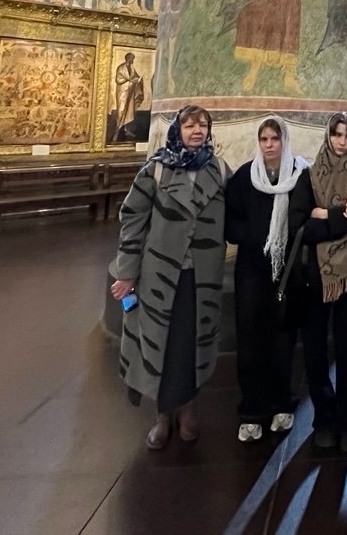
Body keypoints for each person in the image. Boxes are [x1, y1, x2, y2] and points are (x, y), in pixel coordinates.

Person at [109, 106, 230, 450]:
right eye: (189, 125)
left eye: (202, 125)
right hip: (160, 275)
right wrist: (127, 271)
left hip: (200, 276)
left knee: (191, 343)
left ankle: (188, 408)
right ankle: (162, 415)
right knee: (158, 342)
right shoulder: (156, 169)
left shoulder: (220, 170)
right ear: (178, 129)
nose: (196, 130)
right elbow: (132, 219)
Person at [288, 112, 347, 454]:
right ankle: (324, 418)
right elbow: (300, 226)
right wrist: (345, 216)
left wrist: (326, 213)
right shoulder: (309, 176)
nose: (341, 142)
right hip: (315, 277)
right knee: (315, 351)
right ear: (328, 136)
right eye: (336, 135)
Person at [225, 117, 309, 443]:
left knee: (283, 338)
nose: (270, 144)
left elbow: (304, 217)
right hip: (252, 269)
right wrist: (255, 236)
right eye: (264, 139)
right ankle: (252, 410)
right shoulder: (246, 176)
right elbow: (230, 221)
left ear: (284, 141)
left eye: (275, 138)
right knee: (250, 339)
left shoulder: (298, 175)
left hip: (286, 271)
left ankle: (281, 404)